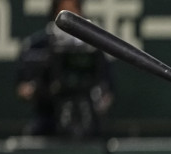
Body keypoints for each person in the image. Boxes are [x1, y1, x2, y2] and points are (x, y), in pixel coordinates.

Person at [16, 0, 114, 139]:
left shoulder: (92, 47)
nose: (70, 16)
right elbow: (24, 86)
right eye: (63, 10)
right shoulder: (38, 45)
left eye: (74, 10)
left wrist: (101, 100)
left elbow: (106, 87)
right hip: (48, 120)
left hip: (88, 120)